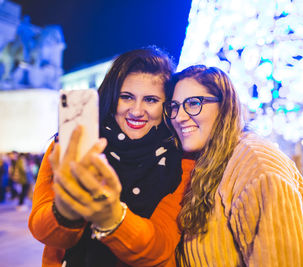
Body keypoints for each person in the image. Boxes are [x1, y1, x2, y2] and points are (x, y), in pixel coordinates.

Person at [29, 47, 195, 267]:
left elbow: (160, 249)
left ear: (166, 106)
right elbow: (44, 232)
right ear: (111, 96)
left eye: (151, 100)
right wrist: (66, 209)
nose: (136, 111)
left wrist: (112, 216)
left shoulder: (180, 160)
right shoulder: (73, 145)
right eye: (126, 97)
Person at [163, 65, 303, 266]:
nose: (179, 116)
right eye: (175, 106)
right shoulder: (211, 161)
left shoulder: (257, 166)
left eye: (194, 103)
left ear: (225, 106)